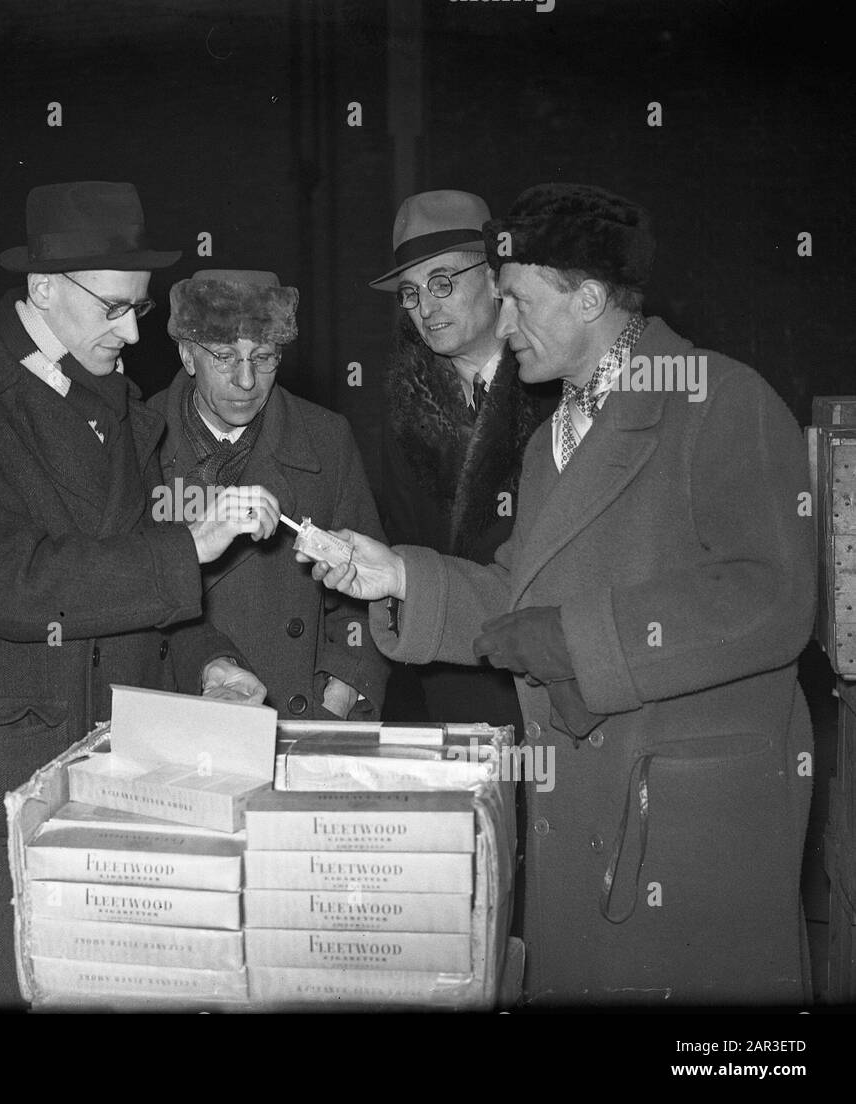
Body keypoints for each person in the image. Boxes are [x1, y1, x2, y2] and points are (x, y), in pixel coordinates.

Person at [309, 183, 816, 1005]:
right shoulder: (558, 436)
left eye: (516, 301)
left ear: (587, 297)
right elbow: (520, 594)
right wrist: (401, 575)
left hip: (682, 823)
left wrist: (579, 641)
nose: (503, 325)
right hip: (590, 808)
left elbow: (771, 596)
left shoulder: (721, 398)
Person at [0, 182, 280, 1008]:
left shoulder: (106, 397)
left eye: (140, 309)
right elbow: (15, 584)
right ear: (45, 289)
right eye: (115, 309)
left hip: (118, 770)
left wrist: (210, 662)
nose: (134, 332)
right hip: (8, 780)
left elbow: (141, 580)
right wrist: (193, 543)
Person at [148, 269, 388, 719]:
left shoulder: (326, 439)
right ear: (186, 354)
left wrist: (339, 695)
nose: (245, 381)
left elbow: (365, 588)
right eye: (224, 357)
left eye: (263, 357)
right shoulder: (138, 439)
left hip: (297, 719)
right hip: (182, 711)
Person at [371, 190, 553, 728]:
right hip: (452, 697)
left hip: (550, 695)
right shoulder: (404, 420)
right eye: (410, 292)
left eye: (442, 282)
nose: (425, 307)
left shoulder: (561, 396)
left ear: (497, 279)